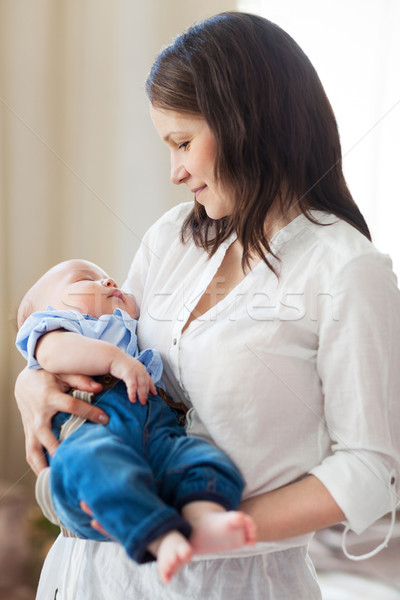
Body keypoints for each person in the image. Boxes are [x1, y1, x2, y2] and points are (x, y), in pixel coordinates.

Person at [15, 11, 400, 600]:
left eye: (184, 142)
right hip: (91, 575)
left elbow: (372, 469)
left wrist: (210, 532)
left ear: (247, 124)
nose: (176, 171)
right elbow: (106, 347)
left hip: (232, 581)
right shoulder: (173, 237)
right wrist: (34, 381)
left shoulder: (347, 271)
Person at [15, 258, 256, 584]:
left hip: (155, 439)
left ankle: (203, 518)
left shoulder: (129, 332)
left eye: (107, 276)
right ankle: (160, 536)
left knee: (203, 458)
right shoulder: (55, 329)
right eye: (86, 279)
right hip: (90, 441)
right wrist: (116, 361)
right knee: (96, 463)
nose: (110, 281)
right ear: (46, 312)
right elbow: (53, 355)